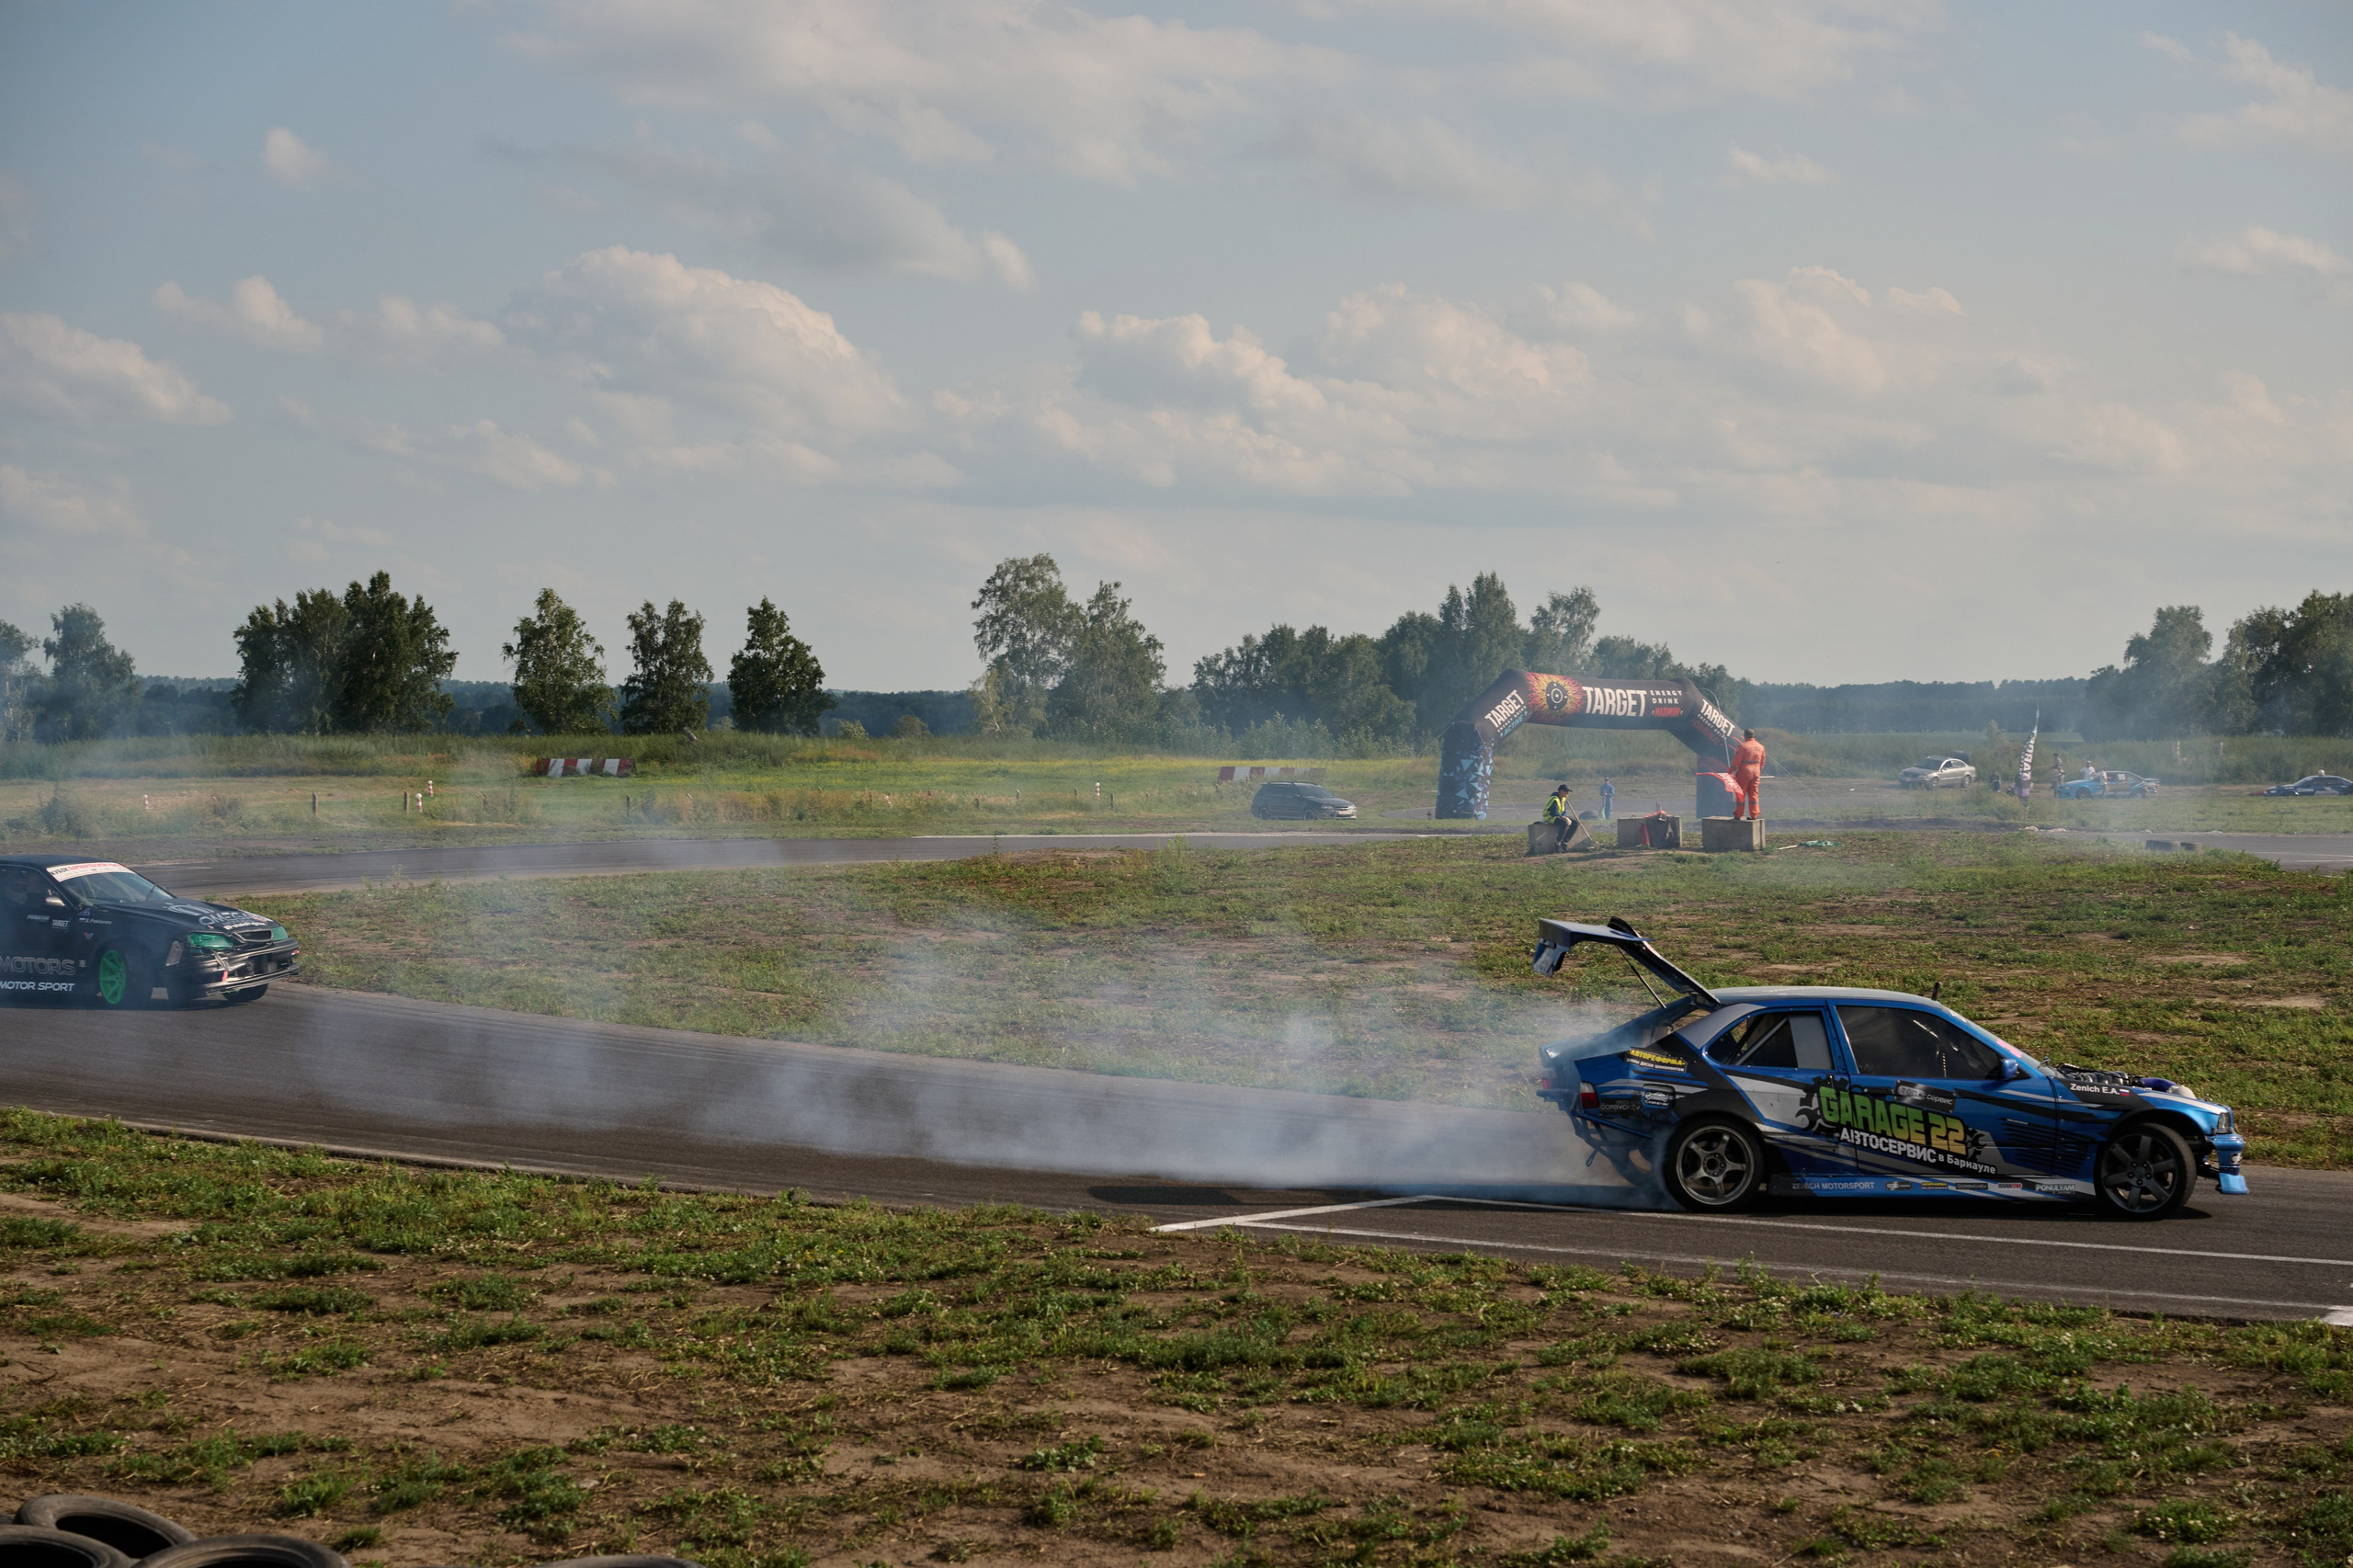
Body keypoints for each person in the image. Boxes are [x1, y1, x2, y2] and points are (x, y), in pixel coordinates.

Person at [1731, 729, 1767, 821]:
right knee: (1754, 794)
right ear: (1753, 736)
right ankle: (1754, 815)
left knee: (1741, 794)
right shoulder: (1761, 747)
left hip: (1745, 772)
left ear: (1745, 736)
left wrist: (1729, 772)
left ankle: (1738, 815)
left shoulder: (1743, 746)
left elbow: (1736, 763)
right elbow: (1762, 763)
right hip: (1756, 772)